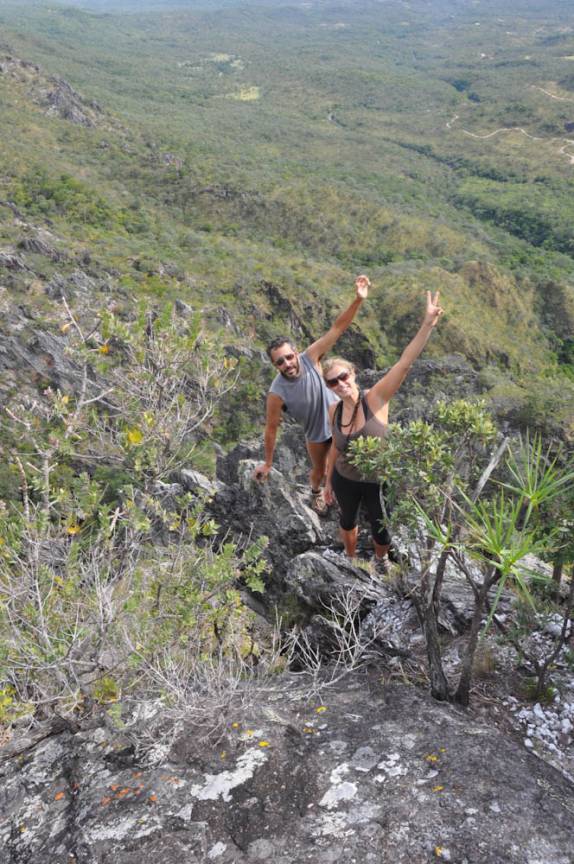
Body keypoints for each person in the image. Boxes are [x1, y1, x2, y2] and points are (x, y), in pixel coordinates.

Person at [323, 290, 443, 568]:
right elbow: (335, 447)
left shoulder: (375, 399)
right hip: (345, 478)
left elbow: (404, 363)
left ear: (352, 374)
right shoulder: (335, 410)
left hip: (377, 480)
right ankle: (350, 559)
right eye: (332, 382)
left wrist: (427, 324)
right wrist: (328, 481)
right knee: (347, 519)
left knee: (381, 527)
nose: (340, 384)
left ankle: (380, 562)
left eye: (343, 377)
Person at [254, 275, 370, 514]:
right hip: (316, 433)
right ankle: (316, 492)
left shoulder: (310, 357)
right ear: (275, 366)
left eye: (288, 357)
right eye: (280, 362)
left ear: (295, 353)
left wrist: (357, 300)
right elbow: (271, 428)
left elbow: (338, 328)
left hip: (340, 420)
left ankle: (353, 495)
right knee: (319, 470)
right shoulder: (276, 392)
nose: (286, 364)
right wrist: (267, 463)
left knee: (346, 463)